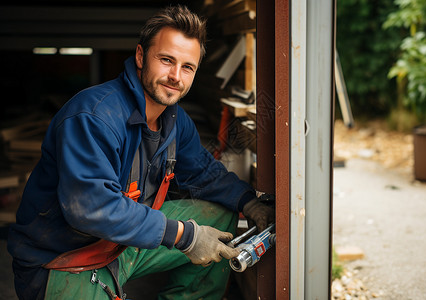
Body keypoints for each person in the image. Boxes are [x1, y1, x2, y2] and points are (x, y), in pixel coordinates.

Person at [7, 5, 274, 300]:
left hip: (120, 245)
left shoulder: (175, 119)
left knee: (218, 216)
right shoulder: (94, 117)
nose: (175, 76)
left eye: (187, 67)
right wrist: (185, 236)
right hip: (63, 261)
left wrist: (249, 203)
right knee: (193, 233)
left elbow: (202, 173)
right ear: (140, 56)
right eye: (166, 60)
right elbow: (92, 208)